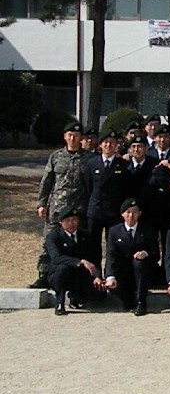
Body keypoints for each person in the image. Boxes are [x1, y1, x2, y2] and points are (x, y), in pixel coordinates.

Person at [32, 121, 90, 288]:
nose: (73, 138)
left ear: (81, 138)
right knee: (48, 242)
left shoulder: (88, 158)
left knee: (79, 245)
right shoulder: (56, 157)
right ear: (65, 137)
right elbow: (47, 181)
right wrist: (42, 203)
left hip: (79, 210)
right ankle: (43, 275)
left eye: (76, 136)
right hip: (57, 209)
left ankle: (79, 278)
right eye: (70, 135)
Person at [104, 198, 160, 315]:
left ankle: (141, 302)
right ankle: (128, 299)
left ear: (140, 213)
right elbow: (111, 255)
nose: (131, 215)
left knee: (139, 263)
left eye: (134, 212)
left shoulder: (148, 230)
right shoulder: (114, 231)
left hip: (141, 271)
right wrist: (110, 276)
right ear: (122, 214)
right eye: (128, 212)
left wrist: (145, 253)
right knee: (117, 289)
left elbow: (155, 253)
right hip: (122, 271)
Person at [44, 207, 103, 315]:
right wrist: (80, 261)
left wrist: (97, 276)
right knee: (63, 269)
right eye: (67, 220)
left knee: (98, 295)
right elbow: (57, 257)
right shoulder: (53, 237)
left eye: (74, 219)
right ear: (61, 222)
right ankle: (60, 302)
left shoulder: (85, 235)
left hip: (80, 273)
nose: (71, 223)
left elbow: (94, 257)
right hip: (59, 273)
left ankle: (76, 296)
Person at [84, 129, 129, 266]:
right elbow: (88, 187)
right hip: (96, 210)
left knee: (113, 245)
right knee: (93, 244)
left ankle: (112, 272)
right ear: (100, 145)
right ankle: (95, 273)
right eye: (106, 142)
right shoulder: (92, 163)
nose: (108, 145)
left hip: (114, 211)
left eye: (112, 142)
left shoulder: (123, 164)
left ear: (116, 145)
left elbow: (125, 189)